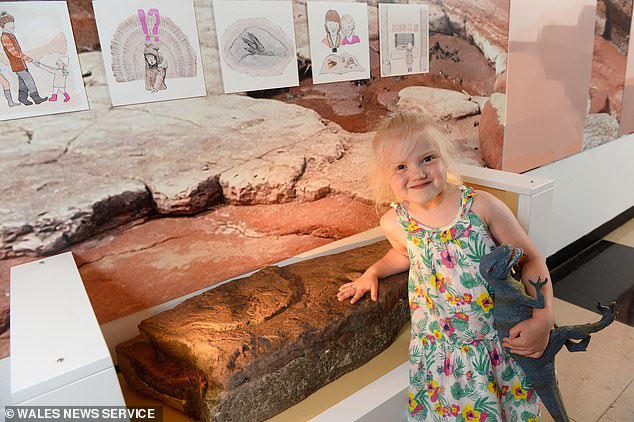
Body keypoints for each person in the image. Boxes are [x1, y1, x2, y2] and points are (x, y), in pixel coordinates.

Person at [337, 112, 554, 421]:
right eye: (401, 166)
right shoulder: (395, 222)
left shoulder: (481, 207)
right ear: (384, 177)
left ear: (444, 158)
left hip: (496, 346)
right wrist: (372, 272)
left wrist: (544, 319)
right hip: (440, 357)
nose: (417, 173)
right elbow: (404, 254)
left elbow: (531, 259)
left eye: (427, 158)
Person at [0, 12, 47, 105]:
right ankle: (36, 98)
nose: (13, 26)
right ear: (3, 26)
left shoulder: (10, 35)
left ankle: (22, 98)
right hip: (16, 64)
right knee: (28, 79)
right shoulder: (5, 37)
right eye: (10, 24)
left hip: (21, 63)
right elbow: (14, 52)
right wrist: (31, 59)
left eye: (13, 23)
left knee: (22, 81)